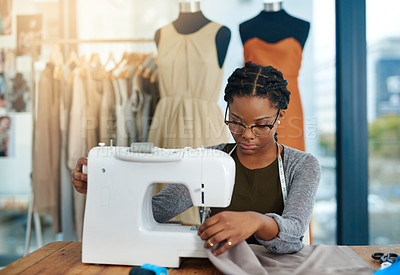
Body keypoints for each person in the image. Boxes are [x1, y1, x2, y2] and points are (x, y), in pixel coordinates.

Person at [71, 62, 321, 256]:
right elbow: (157, 211)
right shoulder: (209, 160)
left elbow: (294, 233)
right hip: (217, 264)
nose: (246, 135)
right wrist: (105, 187)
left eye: (261, 125)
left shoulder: (302, 166)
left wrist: (256, 221)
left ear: (280, 117)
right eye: (235, 121)